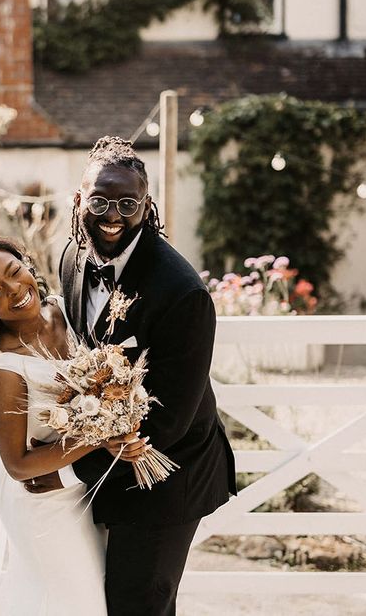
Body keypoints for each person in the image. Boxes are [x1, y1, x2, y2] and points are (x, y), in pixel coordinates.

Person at [27, 135, 237, 615]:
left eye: (128, 203)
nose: (113, 215)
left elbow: (170, 419)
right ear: (78, 200)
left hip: (167, 472)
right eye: (100, 201)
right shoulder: (71, 259)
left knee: (138, 605)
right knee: (93, 597)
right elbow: (82, 356)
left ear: (148, 206)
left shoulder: (182, 293)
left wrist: (73, 459)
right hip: (105, 465)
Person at [0, 236, 146, 615]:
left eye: (14, 272)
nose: (15, 291)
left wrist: (117, 415)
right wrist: (101, 435)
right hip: (45, 505)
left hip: (85, 488)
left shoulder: (61, 310)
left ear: (27, 264)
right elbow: (18, 464)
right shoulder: (6, 369)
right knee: (80, 604)